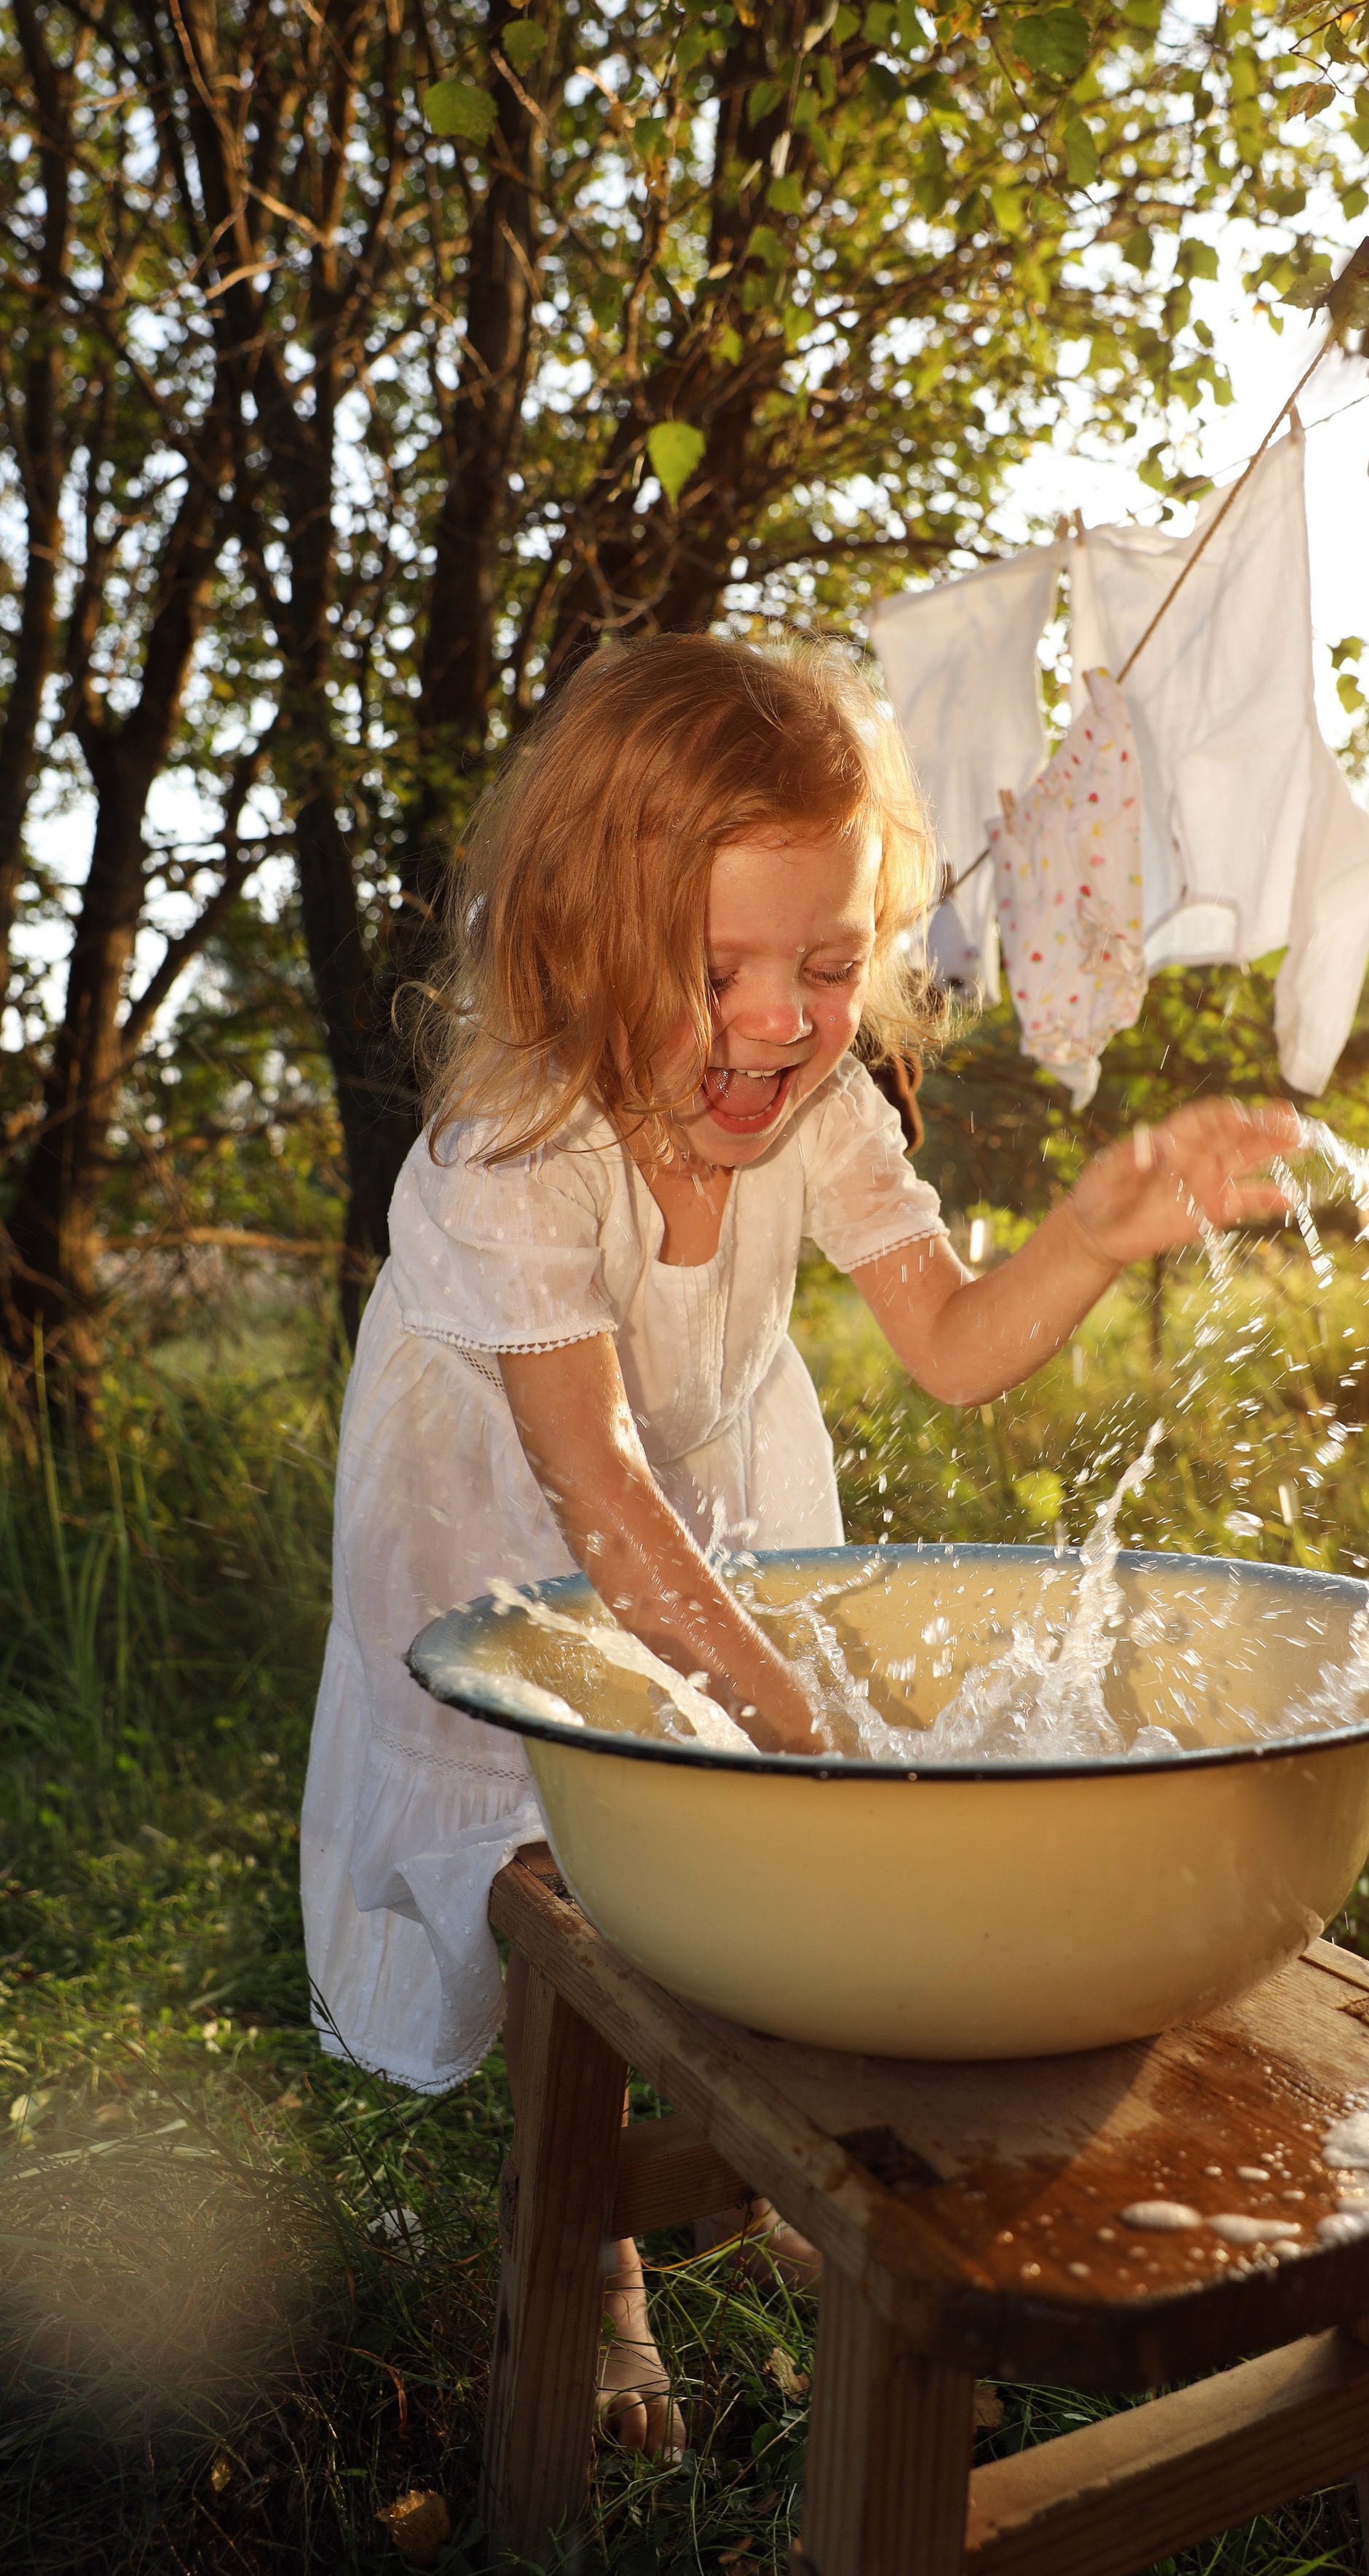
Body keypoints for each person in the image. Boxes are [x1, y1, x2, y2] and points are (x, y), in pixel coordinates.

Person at [299, 634, 1298, 2454]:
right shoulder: (515, 1147)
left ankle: (752, 2162)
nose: (778, 1021)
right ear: (579, 945)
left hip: (689, 1500)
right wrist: (789, 1721)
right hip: (500, 1522)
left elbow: (954, 1344)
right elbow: (590, 1486)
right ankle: (598, 2261)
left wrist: (1084, 1234)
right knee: (565, 1858)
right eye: (715, 972)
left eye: (828, 967)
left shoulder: (821, 1110)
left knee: (724, 1858)